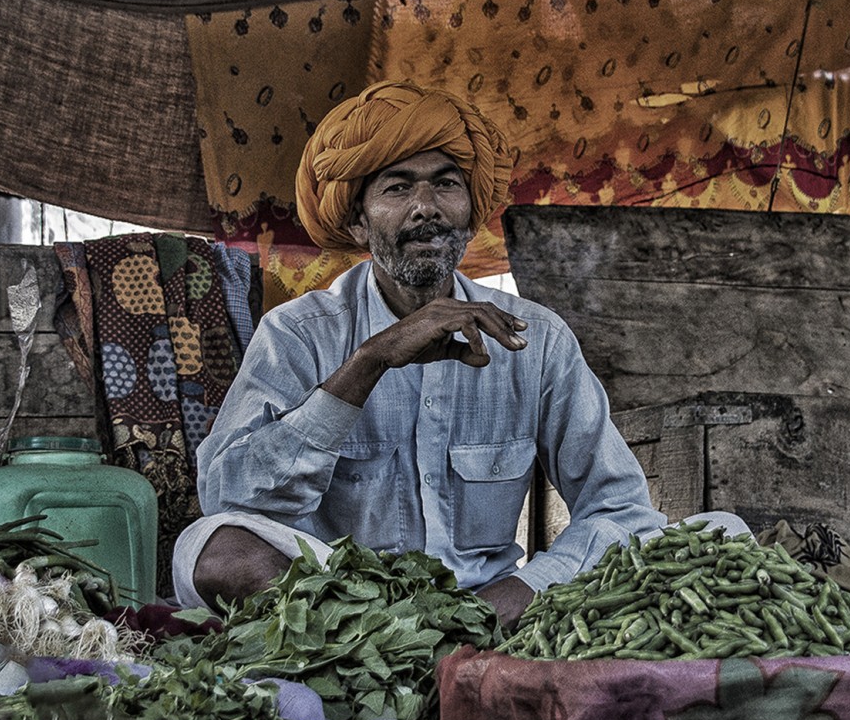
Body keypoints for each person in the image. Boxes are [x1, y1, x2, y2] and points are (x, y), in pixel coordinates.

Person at [171, 80, 667, 628]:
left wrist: (521, 591)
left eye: (445, 185)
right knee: (206, 548)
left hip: (492, 612)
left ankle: (454, 639)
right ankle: (387, 645)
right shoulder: (297, 333)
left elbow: (621, 506)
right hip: (345, 613)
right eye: (398, 189)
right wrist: (368, 363)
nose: (425, 208)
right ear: (359, 220)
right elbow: (229, 495)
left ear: (471, 208)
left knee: (723, 531)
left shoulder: (537, 340)